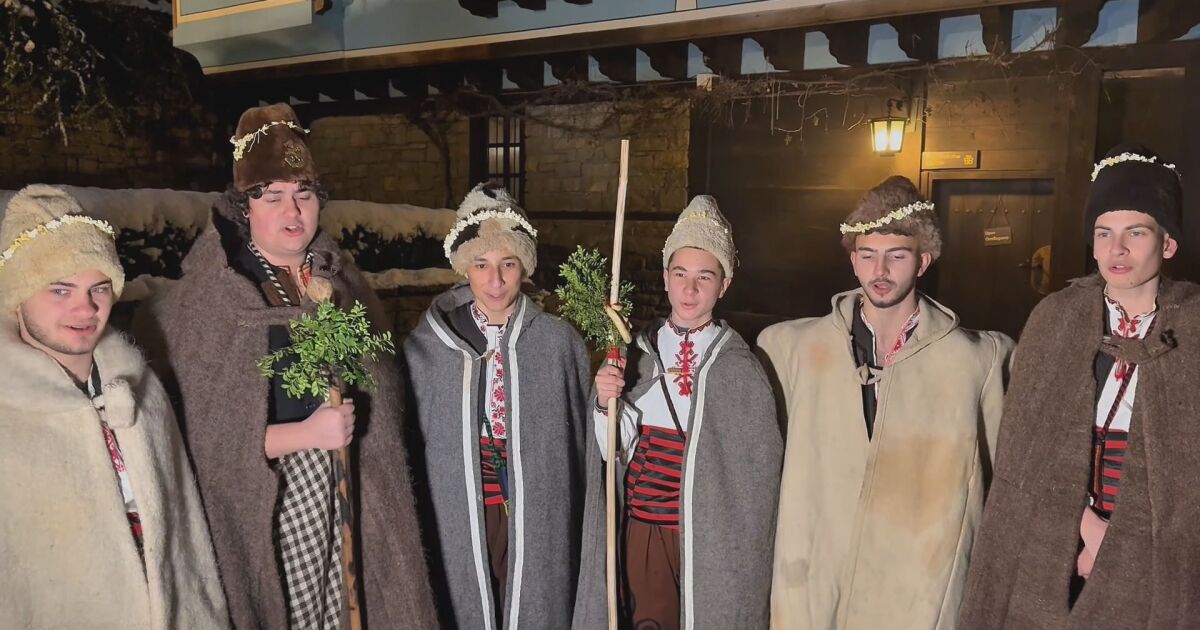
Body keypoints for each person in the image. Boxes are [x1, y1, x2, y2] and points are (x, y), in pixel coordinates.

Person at [134, 103, 436, 629]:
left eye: (304, 194)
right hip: (271, 511)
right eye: (272, 197)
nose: (292, 211)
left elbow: (386, 405)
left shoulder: (343, 282)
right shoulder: (209, 299)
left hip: (354, 495)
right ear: (244, 207)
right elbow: (200, 442)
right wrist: (306, 435)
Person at [958, 143, 1200, 628]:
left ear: (1168, 244)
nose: (1117, 249)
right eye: (1104, 233)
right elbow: (1023, 457)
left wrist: (1118, 545)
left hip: (1156, 562)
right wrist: (1086, 530)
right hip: (1048, 545)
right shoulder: (1056, 319)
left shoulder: (1193, 327)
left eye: (1136, 232)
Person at [758, 175, 1013, 629]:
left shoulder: (976, 362)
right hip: (814, 581)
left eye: (896, 255)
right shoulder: (792, 350)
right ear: (852, 260)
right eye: (867, 255)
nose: (880, 270)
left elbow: (1004, 484)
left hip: (916, 588)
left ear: (923, 260)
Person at [0, 184, 229, 628]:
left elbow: (188, 539)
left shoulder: (141, 389)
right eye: (60, 290)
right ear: (18, 297)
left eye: (99, 288)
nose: (85, 308)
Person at [573, 195, 782, 630]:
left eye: (704, 277)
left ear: (724, 285)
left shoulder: (741, 369)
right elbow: (614, 451)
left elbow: (755, 483)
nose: (690, 289)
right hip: (645, 531)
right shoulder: (634, 354)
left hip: (710, 539)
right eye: (680, 274)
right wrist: (606, 401)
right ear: (665, 278)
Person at [403, 182, 594, 630]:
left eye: (508, 263)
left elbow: (582, 450)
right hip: (459, 515)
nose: (495, 280)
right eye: (481, 265)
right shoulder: (427, 347)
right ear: (464, 268)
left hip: (536, 514)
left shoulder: (558, 343)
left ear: (523, 266)